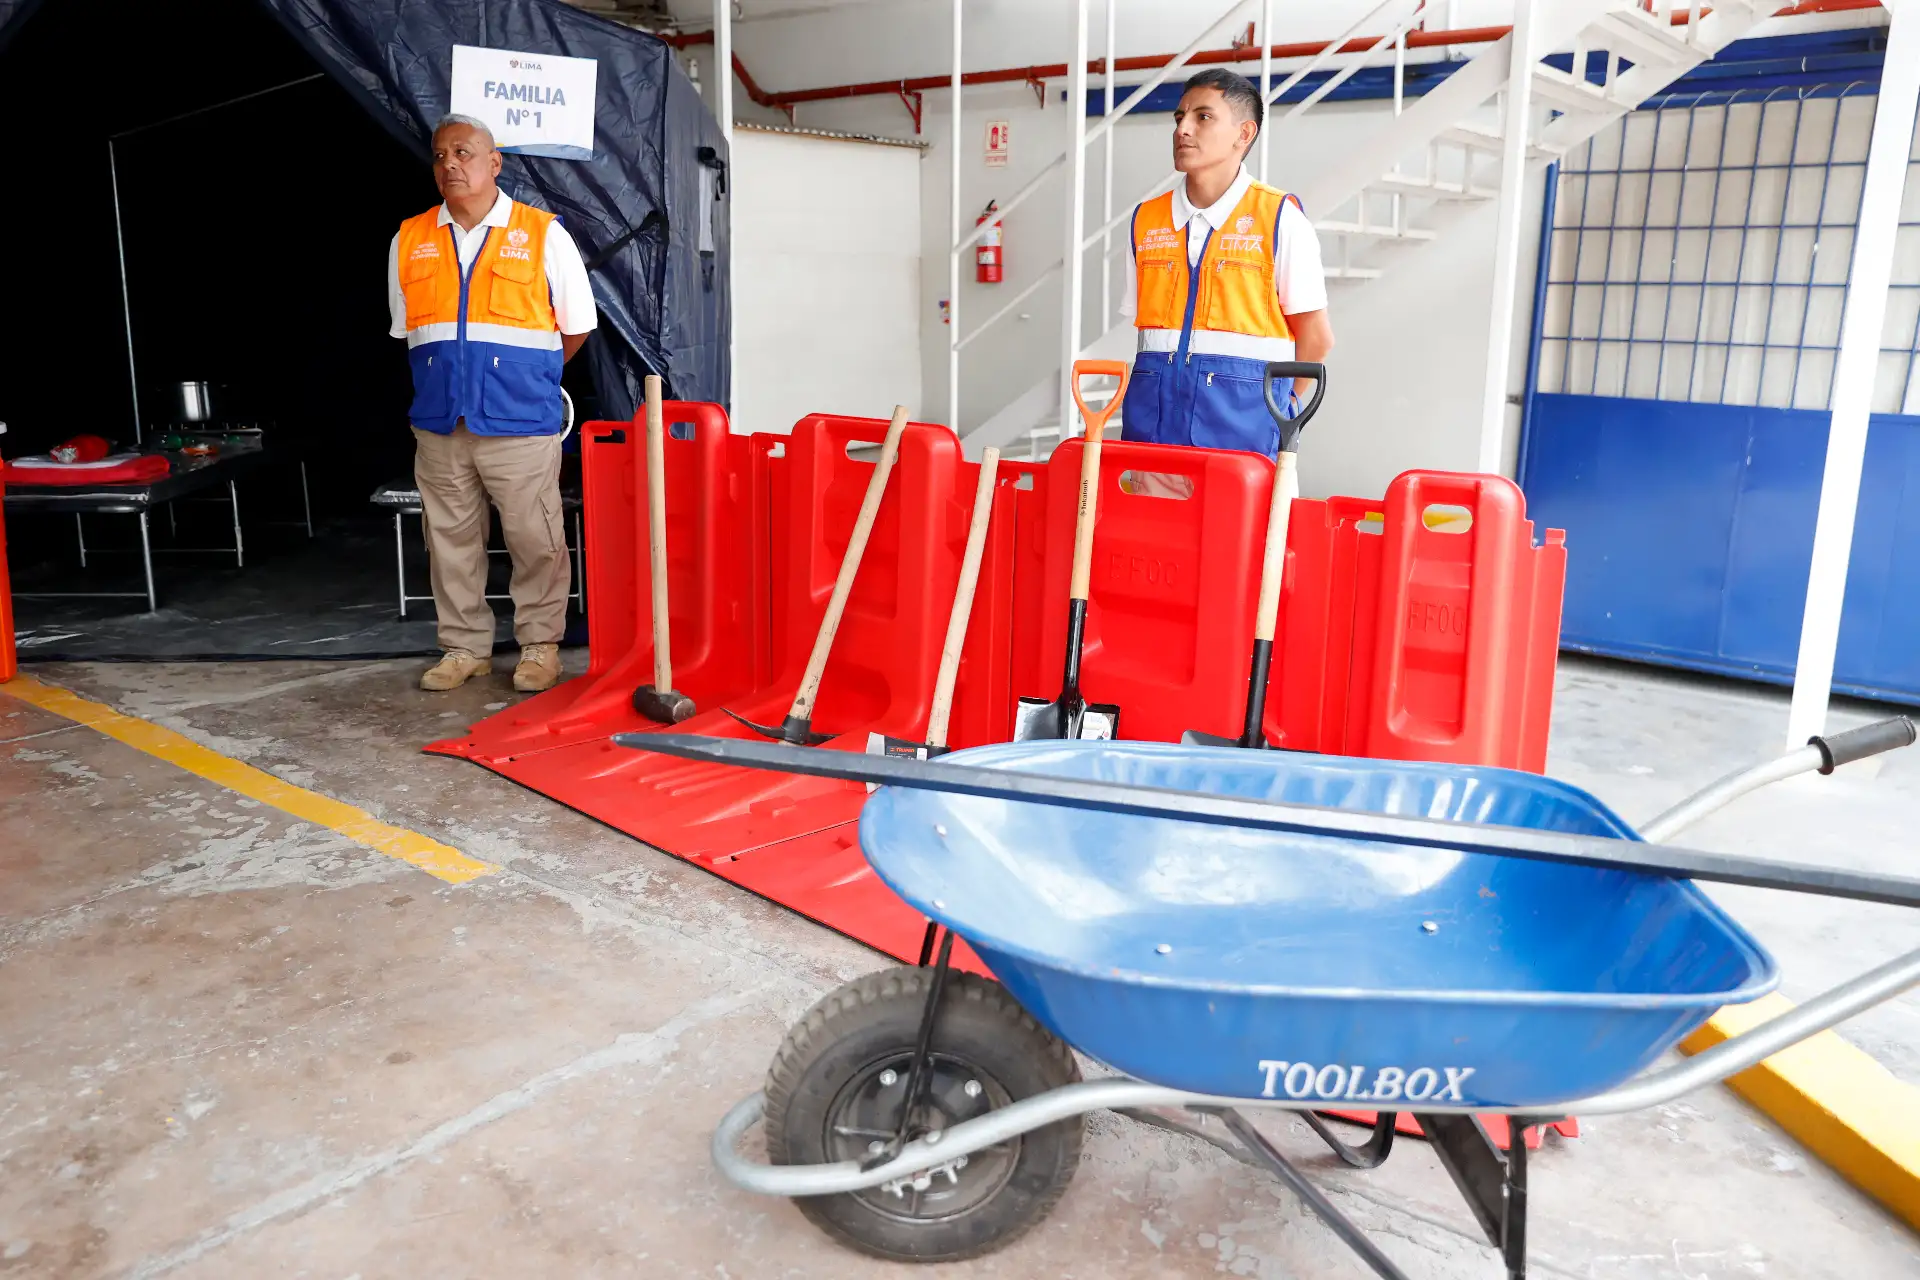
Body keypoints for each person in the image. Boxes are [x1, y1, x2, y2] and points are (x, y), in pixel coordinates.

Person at [388, 114, 597, 693]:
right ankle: (463, 648)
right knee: (449, 541)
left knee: (536, 538)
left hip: (519, 422)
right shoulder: (410, 239)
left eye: (464, 152)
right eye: (440, 155)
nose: (450, 163)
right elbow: (410, 331)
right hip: (439, 422)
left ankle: (539, 645)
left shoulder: (542, 233)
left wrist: (523, 376)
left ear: (494, 162)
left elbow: (576, 328)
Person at [1119, 68, 1334, 458]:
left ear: (1244, 134)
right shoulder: (1145, 221)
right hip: (1150, 438)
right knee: (1147, 522)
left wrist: (1282, 418)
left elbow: (1316, 340)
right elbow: (1151, 341)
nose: (1183, 128)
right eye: (1179, 117)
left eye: (1203, 117)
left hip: (1243, 446)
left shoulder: (1279, 219)